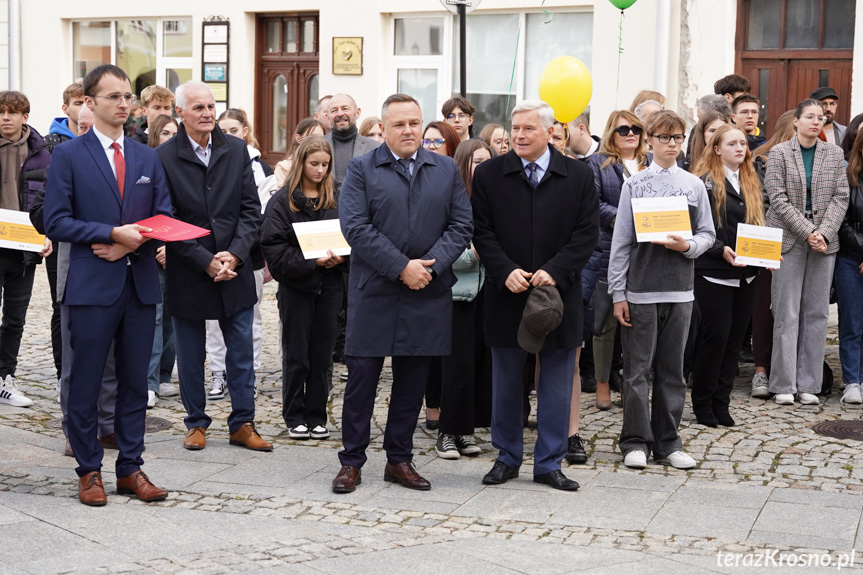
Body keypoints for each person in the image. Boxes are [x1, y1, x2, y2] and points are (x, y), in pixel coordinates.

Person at [44, 64, 172, 506]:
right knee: (86, 381)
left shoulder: (146, 157)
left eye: (127, 97)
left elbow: (163, 218)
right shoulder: (69, 155)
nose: (123, 104)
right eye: (113, 97)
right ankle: (89, 470)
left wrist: (128, 245)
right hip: (90, 287)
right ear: (91, 102)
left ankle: (131, 468)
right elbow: (56, 220)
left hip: (138, 285)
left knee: (136, 382)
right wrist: (110, 234)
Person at [332, 93, 472, 494]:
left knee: (412, 383)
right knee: (362, 381)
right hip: (375, 290)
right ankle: (352, 462)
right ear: (385, 129)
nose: (408, 130)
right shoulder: (361, 169)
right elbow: (356, 228)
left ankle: (399, 459)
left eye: (414, 122)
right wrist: (401, 268)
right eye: (399, 124)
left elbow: (462, 226)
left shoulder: (445, 169)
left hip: (427, 290)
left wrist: (428, 265)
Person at [472, 99, 599, 491]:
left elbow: (586, 234)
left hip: (557, 295)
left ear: (549, 132)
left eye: (529, 128)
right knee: (506, 383)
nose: (520, 135)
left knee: (558, 382)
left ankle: (549, 463)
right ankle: (507, 457)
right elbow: (481, 230)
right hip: (507, 292)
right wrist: (504, 270)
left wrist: (557, 271)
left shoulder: (578, 176)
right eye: (516, 128)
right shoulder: (490, 175)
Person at [156, 81, 272, 452]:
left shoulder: (236, 150)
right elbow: (166, 218)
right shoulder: (163, 157)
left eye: (211, 106)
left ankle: (242, 422)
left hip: (233, 267)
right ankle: (195, 423)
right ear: (180, 113)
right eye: (199, 108)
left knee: (241, 350)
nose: (208, 114)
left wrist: (235, 254)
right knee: (191, 353)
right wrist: (205, 260)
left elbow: (251, 212)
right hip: (189, 268)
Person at [608, 110, 716, 470]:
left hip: (680, 290)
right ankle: (635, 440)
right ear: (649, 139)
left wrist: (687, 247)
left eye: (677, 138)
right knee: (637, 371)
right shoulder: (634, 184)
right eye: (665, 137)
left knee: (672, 371)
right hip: (641, 291)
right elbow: (621, 242)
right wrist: (618, 293)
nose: (672, 144)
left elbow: (707, 234)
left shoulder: (693, 184)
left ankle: (668, 442)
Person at [765, 99, 849, 406]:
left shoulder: (835, 153)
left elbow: (841, 198)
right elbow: (777, 197)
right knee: (786, 312)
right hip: (789, 239)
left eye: (821, 117)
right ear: (796, 122)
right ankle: (783, 383)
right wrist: (808, 231)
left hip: (825, 243)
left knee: (816, 313)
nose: (816, 121)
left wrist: (823, 232)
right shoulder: (779, 153)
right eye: (810, 117)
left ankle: (809, 383)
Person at [261, 136, 346, 439]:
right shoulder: (282, 201)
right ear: (301, 163)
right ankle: (294, 414)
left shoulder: (337, 198)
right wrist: (312, 263)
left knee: (322, 354)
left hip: (330, 287)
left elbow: (354, 237)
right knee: (297, 353)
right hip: (297, 288)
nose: (320, 170)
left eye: (325, 165)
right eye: (314, 164)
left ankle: (317, 414)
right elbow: (272, 247)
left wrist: (340, 259)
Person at [691, 125, 765, 426]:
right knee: (715, 339)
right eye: (732, 143)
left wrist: (767, 253)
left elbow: (757, 227)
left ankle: (722, 403)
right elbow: (696, 228)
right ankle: (703, 403)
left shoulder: (750, 179)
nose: (740, 148)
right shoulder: (704, 182)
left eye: (743, 143)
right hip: (714, 272)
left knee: (734, 341)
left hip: (747, 274)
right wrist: (719, 249)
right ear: (717, 149)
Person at [202, 108, 274, 400]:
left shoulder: (261, 167)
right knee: (213, 321)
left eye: (234, 130)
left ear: (246, 130)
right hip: (212, 255)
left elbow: (261, 214)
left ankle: (249, 373)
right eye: (224, 130)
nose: (229, 135)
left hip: (248, 255)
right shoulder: (212, 161)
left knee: (250, 320)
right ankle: (218, 372)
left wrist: (240, 250)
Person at [434, 139, 493, 459]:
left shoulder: (492, 199)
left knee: (479, 366)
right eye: (477, 162)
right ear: (463, 164)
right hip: (457, 292)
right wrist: (473, 255)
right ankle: (446, 431)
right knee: (456, 366)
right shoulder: (450, 200)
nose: (482, 167)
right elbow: (438, 249)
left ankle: (466, 431)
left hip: (487, 293)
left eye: (488, 161)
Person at [588, 110, 648, 413]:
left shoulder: (649, 164)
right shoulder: (597, 164)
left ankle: (631, 382)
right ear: (612, 132)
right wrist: (630, 221)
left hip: (647, 255)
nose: (630, 134)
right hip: (609, 251)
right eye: (624, 129)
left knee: (638, 323)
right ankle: (601, 383)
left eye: (636, 129)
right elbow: (594, 206)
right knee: (605, 323)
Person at [0, 91, 51, 408]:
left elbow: (51, 199)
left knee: (15, 319)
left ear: (25, 117)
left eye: (12, 112)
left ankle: (6, 377)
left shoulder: (42, 153)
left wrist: (48, 233)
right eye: (1, 112)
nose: (5, 117)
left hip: (24, 249)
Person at [748, 110, 796, 398]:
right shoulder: (761, 160)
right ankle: (760, 370)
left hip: (800, 242)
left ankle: (785, 370)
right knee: (765, 307)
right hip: (768, 240)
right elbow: (759, 203)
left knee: (791, 310)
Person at [141, 114, 180, 409]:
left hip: (179, 248)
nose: (170, 137)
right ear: (155, 136)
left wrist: (175, 245)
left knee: (173, 315)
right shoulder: (147, 162)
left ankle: (165, 374)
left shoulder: (182, 165)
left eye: (174, 133)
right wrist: (160, 244)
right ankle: (149, 381)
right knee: (154, 316)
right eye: (164, 132)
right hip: (152, 249)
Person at [836, 130, 863, 405]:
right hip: (850, 259)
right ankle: (852, 381)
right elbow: (841, 222)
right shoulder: (848, 178)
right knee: (852, 322)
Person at [325, 94, 380, 194]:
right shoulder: (317, 145)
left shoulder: (375, 148)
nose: (340, 114)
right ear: (327, 117)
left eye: (345, 108)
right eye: (334, 110)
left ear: (357, 112)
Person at [274, 118, 326, 189]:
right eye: (312, 137)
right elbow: (282, 198)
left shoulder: (324, 166)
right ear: (298, 138)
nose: (317, 142)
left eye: (321, 138)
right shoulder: (284, 168)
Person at [44, 82, 85, 153]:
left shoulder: (102, 139)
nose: (85, 108)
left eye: (88, 103)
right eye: (78, 104)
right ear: (65, 109)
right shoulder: (49, 143)